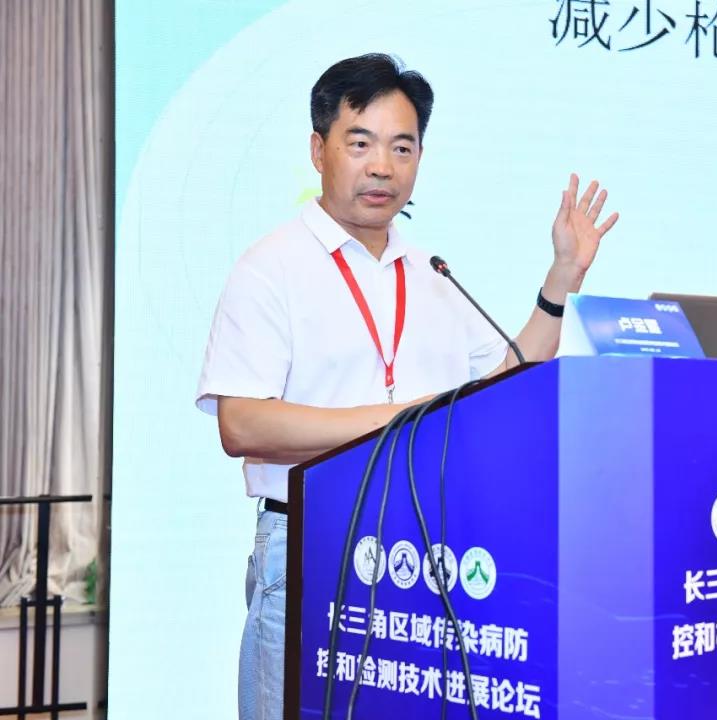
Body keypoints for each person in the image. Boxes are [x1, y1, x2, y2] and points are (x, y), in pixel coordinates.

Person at [194, 53, 618, 720]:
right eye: (360, 143)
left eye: (402, 147)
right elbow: (242, 424)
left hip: (420, 553)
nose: (383, 167)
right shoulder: (271, 268)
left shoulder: (431, 274)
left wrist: (564, 275)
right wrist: (400, 419)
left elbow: (508, 377)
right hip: (313, 544)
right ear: (318, 150)